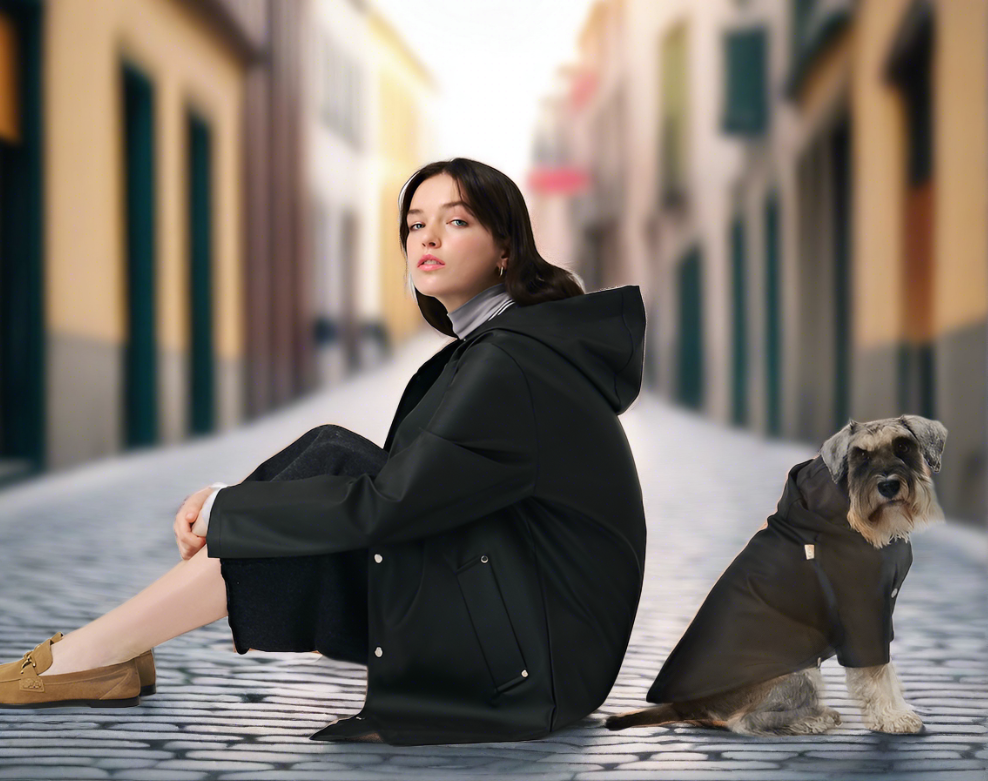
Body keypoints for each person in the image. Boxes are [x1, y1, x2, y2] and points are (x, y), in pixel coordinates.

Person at [0, 158, 648, 746]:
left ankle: (96, 653)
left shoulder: (512, 360)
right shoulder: (497, 346)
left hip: (537, 663)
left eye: (456, 220)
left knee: (335, 466)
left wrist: (231, 509)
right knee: (330, 449)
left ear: (506, 247)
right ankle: (114, 647)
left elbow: (392, 501)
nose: (426, 237)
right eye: (415, 223)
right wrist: (240, 507)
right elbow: (410, 489)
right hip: (530, 632)